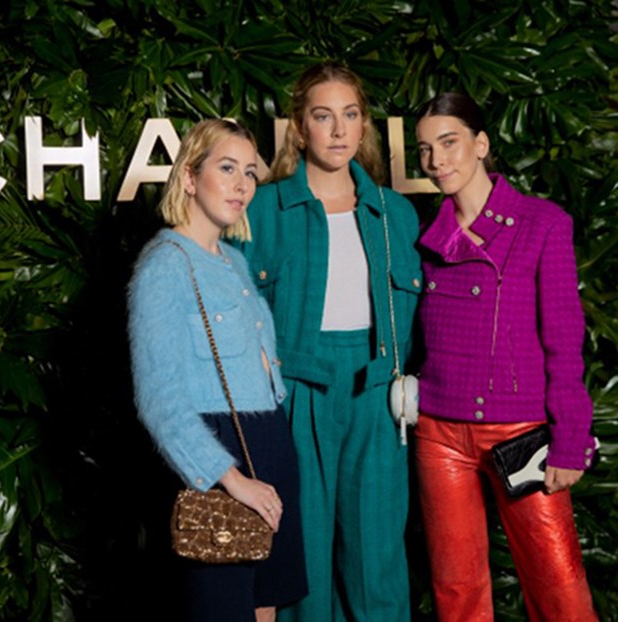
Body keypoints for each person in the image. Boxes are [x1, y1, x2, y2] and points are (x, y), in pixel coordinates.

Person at [237, 62, 422, 622]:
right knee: (303, 560)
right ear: (299, 128)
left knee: (377, 559)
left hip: (377, 394)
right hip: (295, 392)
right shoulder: (261, 209)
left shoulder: (396, 214)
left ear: (364, 125)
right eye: (323, 116)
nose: (339, 130)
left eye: (350, 114)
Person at [413, 92, 598, 621]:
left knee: (558, 585)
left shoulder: (542, 223)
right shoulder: (426, 237)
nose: (436, 160)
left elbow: (564, 338)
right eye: (425, 149)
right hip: (439, 430)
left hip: (520, 431)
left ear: (481, 144)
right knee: (456, 589)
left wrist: (570, 439)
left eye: (448, 143)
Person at [127, 119, 307, 622]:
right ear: (189, 177)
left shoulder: (233, 260)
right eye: (226, 168)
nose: (241, 185)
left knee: (265, 605)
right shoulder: (164, 267)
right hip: (219, 460)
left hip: (269, 447)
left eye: (249, 172)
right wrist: (231, 479)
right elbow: (160, 404)